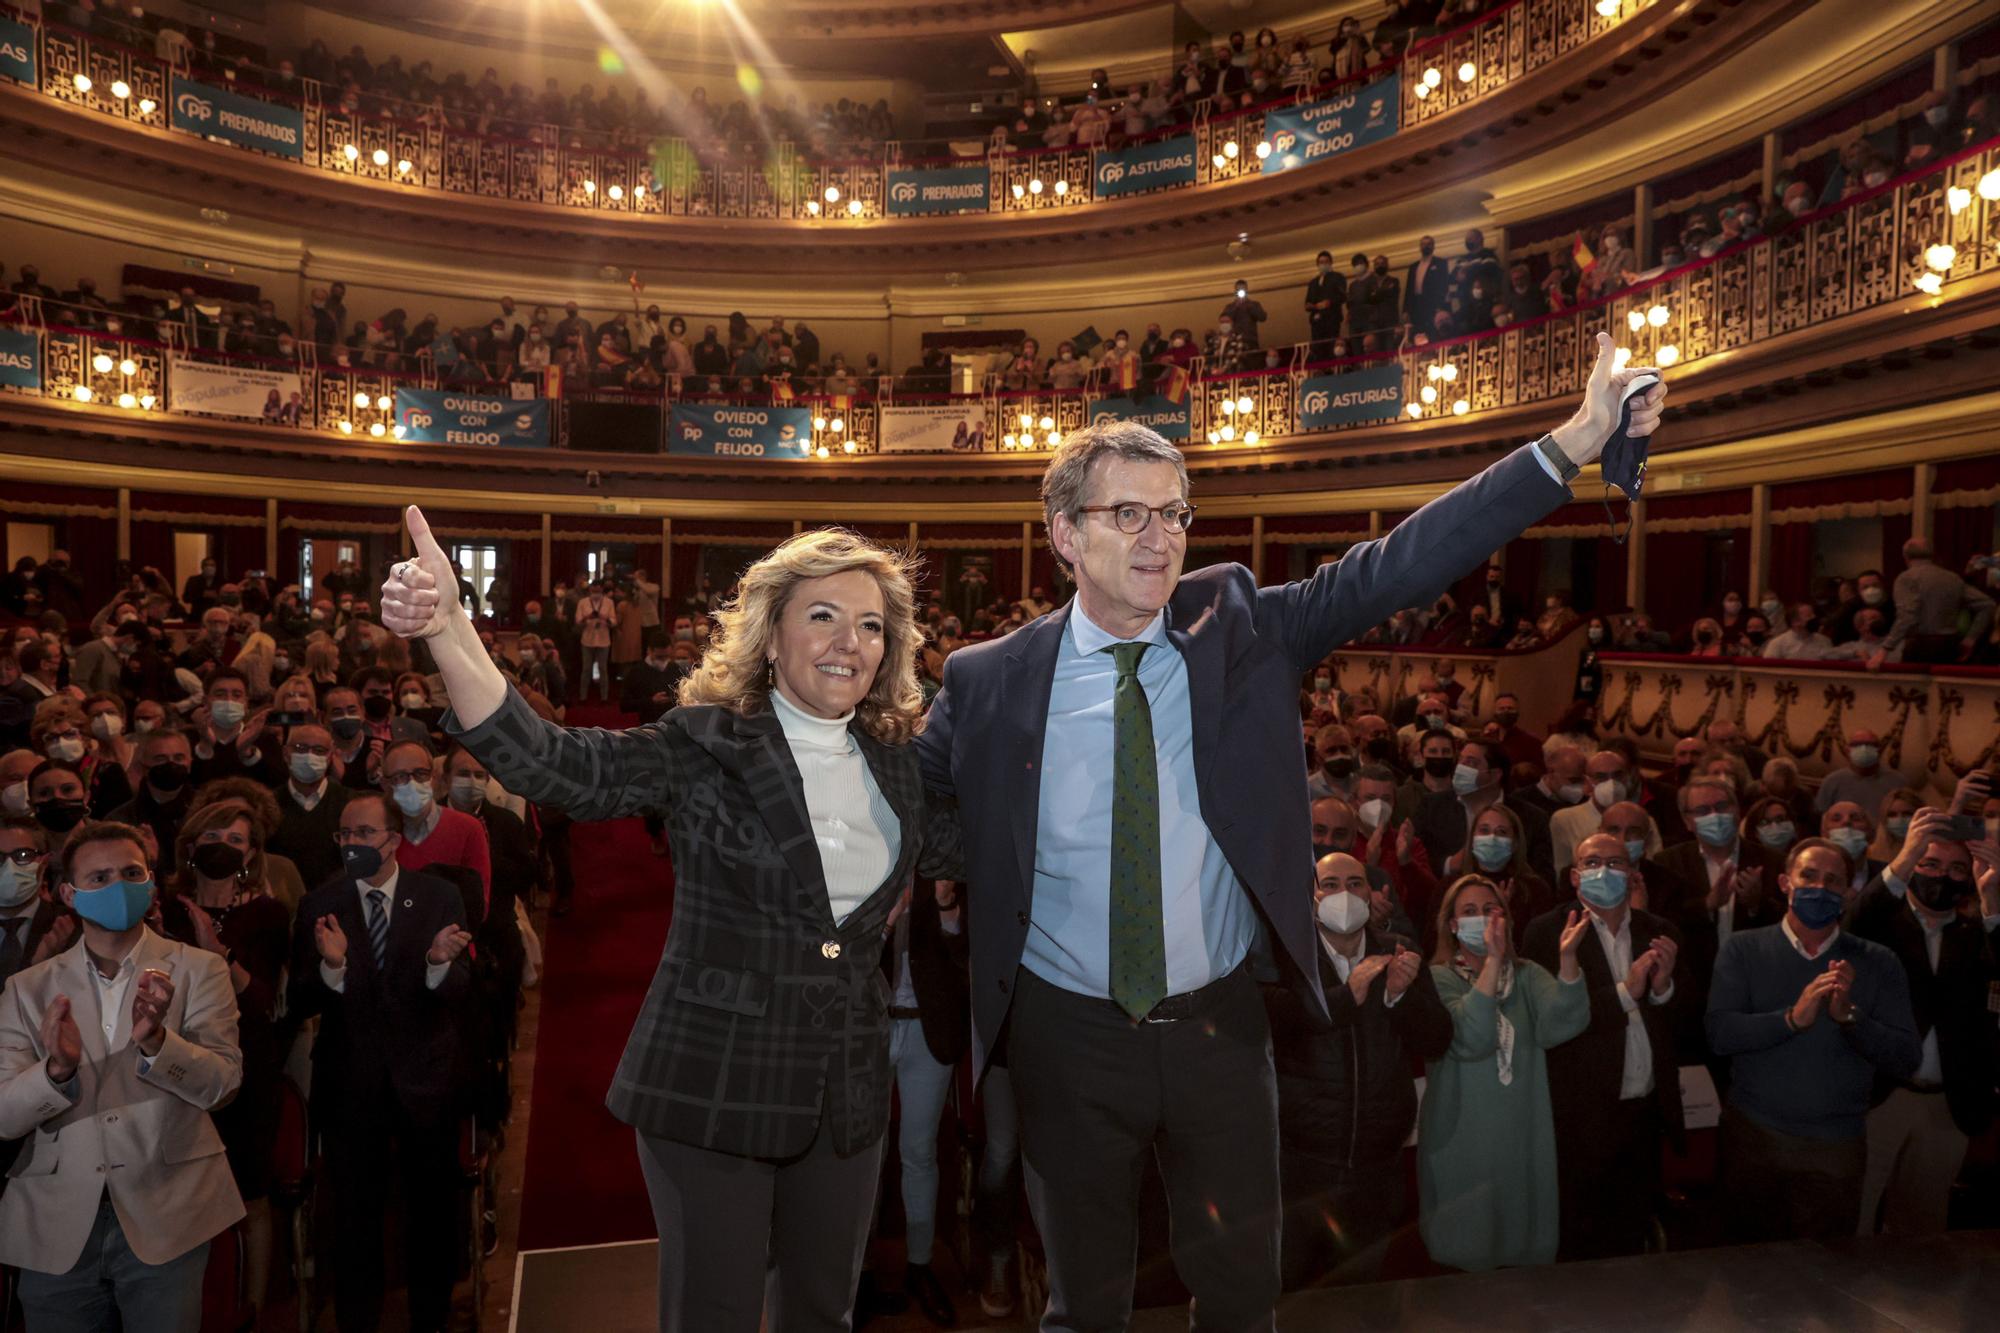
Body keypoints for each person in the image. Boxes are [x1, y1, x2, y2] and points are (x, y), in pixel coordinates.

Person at [916, 334, 1666, 1325]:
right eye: (1126, 514)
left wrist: (1570, 439)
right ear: (1062, 533)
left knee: (1238, 1292)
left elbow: (1400, 562)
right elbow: (907, 808)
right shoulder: (986, 678)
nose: (1157, 539)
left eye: (1173, 514)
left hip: (1220, 1027)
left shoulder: (1237, 625)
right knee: (1083, 1299)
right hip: (1066, 1031)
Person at [381, 511, 963, 1332]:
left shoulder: (898, 763)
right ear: (770, 637)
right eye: (823, 616)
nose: (850, 641)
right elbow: (555, 763)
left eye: (871, 624)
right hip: (711, 1087)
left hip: (847, 1093)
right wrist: (449, 629)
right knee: (712, 1317)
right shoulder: (705, 743)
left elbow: (982, 841)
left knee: (823, 1313)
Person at [0, 820, 245, 1332]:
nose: (118, 887)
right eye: (100, 877)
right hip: (56, 1218)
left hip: (168, 1206)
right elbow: (4, 1115)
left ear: (152, 882)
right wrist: (56, 1071)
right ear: (68, 893)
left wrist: (159, 1041)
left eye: (132, 873)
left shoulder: (199, 969)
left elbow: (223, 1085)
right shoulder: (28, 987)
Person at [288, 791, 475, 1333]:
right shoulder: (319, 904)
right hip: (351, 1088)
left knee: (430, 1217)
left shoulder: (439, 896)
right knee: (355, 1222)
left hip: (427, 1084)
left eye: (363, 834)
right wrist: (333, 968)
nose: (351, 844)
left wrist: (438, 965)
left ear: (393, 840)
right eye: (344, 836)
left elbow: (461, 990)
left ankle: (431, 1320)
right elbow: (299, 1000)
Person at [1705, 838, 1920, 1243]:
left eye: (1832, 880)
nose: (1819, 888)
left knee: (1825, 1281)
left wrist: (1851, 1018)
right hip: (1754, 1139)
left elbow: (1906, 1057)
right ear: (1785, 882)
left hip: (1835, 1146)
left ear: (1847, 892)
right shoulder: (1742, 949)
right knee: (1745, 1271)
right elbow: (1719, 1035)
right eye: (1809, 876)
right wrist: (1790, 1019)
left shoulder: (1878, 960)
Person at [1264, 851, 1449, 1287]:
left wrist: (1400, 998)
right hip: (1299, 1167)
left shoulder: (1398, 952)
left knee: (1362, 1293)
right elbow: (1274, 1024)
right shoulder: (1285, 958)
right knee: (1289, 1290)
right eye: (1330, 884)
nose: (1343, 895)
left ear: (1372, 894)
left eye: (1355, 884)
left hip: (1376, 1167)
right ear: (1310, 897)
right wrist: (1348, 995)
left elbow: (1438, 1039)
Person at [1522, 832, 1685, 1260]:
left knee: (1632, 1238)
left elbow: (1684, 1027)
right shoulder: (1546, 933)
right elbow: (1550, 1022)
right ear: (1575, 877)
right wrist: (1625, 993)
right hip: (1580, 1117)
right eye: (1593, 862)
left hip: (1644, 1113)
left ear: (1632, 874)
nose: (1604, 871)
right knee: (1579, 1241)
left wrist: (1664, 989)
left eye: (1616, 863)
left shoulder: (1660, 931)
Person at [1418, 874, 1591, 1271]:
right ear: (1451, 924)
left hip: (1522, 1132)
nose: (1482, 918)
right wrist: (1493, 962)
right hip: (1462, 1134)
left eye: (1490, 910)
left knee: (1522, 1247)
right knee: (1466, 1250)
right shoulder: (1436, 979)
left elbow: (1561, 1024)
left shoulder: (1527, 975)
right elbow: (1471, 1038)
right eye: (1470, 911)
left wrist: (1567, 961)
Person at [1850, 810, 2000, 1235]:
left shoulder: (1976, 935)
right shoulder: (1882, 927)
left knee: (1922, 1230)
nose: (1942, 876)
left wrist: (1992, 895)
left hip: (1946, 1105)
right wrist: (1907, 853)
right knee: (1856, 1217)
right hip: (1881, 1097)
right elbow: (1854, 921)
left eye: (1956, 869)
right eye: (1930, 864)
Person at [1877, 537, 1994, 666]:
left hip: (1920, 645)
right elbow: (1987, 604)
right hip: (1950, 645)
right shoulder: (1952, 578)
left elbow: (1907, 616)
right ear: (1932, 554)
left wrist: (1885, 649)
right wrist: (1970, 638)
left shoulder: (1906, 578)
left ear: (1905, 556)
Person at [575, 580, 619, 702]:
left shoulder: (609, 602)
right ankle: (583, 696)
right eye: (594, 591)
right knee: (586, 668)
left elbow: (614, 621)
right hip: (587, 639)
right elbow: (577, 621)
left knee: (603, 668)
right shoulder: (582, 602)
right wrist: (588, 616)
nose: (596, 593)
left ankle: (604, 697)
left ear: (602, 590)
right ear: (590, 590)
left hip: (603, 640)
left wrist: (602, 616)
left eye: (598, 591)